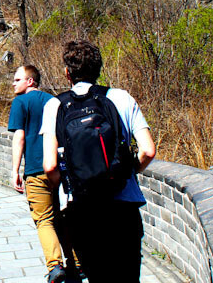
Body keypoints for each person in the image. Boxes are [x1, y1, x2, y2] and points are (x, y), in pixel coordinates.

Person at [42, 41, 156, 283]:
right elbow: (148, 151)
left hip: (81, 210)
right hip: (123, 207)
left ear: (67, 72)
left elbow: (50, 166)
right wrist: (127, 172)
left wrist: (64, 186)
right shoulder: (120, 97)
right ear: (99, 69)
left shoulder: (54, 105)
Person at [9, 65, 76, 283]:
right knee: (63, 216)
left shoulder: (20, 102)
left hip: (36, 170)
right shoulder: (53, 101)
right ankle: (76, 261)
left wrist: (15, 169)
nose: (13, 83)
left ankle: (55, 265)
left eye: (17, 79)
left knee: (44, 220)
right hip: (59, 167)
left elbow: (19, 137)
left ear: (30, 81)